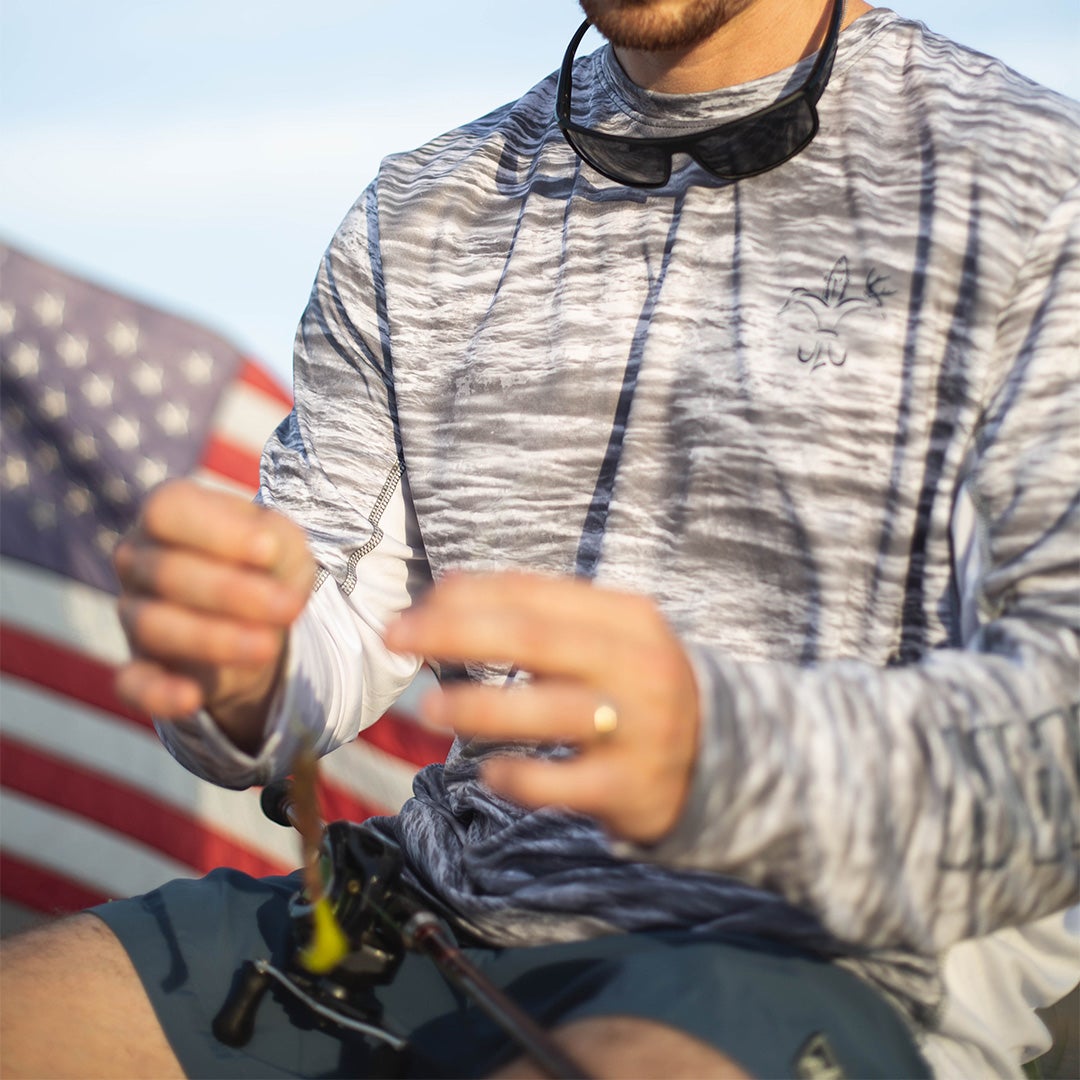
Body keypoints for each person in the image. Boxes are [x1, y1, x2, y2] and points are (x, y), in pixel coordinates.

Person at [2, 0, 1078, 1075]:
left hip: (832, 959)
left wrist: (728, 755)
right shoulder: (421, 209)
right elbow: (329, 623)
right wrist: (244, 670)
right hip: (421, 915)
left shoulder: (1032, 186)